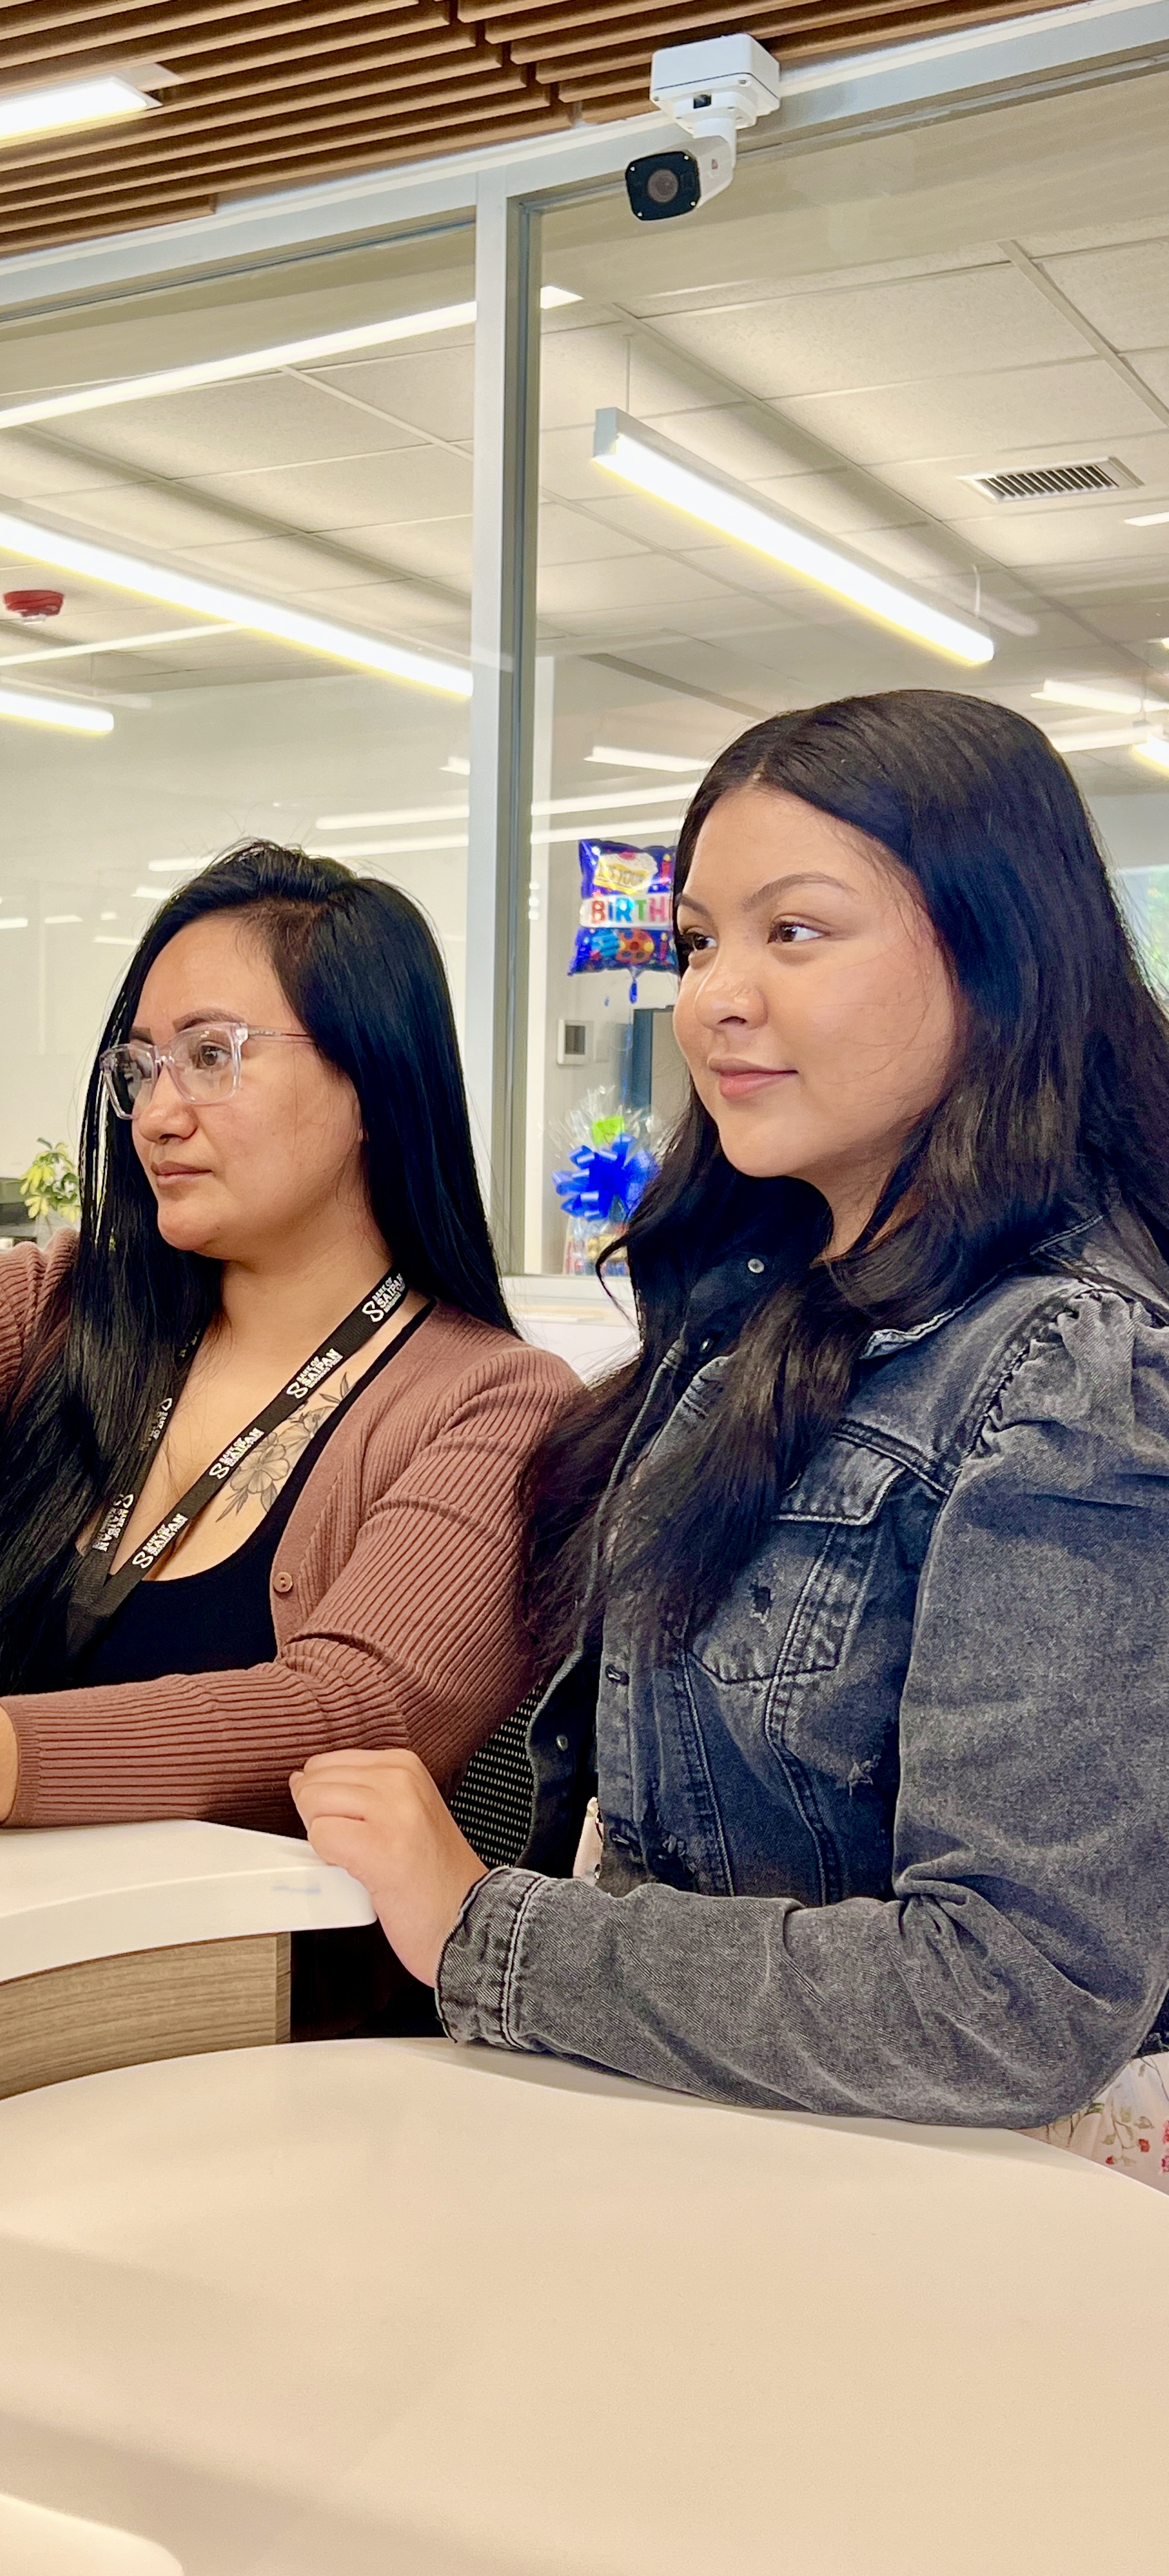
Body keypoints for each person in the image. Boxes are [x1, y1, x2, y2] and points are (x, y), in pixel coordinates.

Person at [293, 689, 1169, 2158]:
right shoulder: (764, 1306)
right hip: (728, 2139)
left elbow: (1016, 1999)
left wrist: (489, 1932)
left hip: (956, 2216)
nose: (714, 997)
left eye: (798, 931)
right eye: (698, 941)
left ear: (1001, 958)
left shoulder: (1067, 1370)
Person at [0, 843, 578, 1833]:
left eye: (212, 1056)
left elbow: (348, 1716)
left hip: (236, 1984)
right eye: (141, 1068)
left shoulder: (495, 1403)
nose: (158, 1115)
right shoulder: (67, 1307)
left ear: (372, 1081)